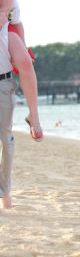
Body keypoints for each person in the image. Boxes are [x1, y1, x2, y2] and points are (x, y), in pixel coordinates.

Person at [0, 0, 43, 142]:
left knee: (25, 61)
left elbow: (6, 12)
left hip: (6, 24)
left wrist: (24, 47)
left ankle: (34, 116)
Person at [0, 21, 17, 209]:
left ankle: (4, 190)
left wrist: (22, 47)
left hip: (3, 83)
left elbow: (17, 24)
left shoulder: (8, 9)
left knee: (6, 139)